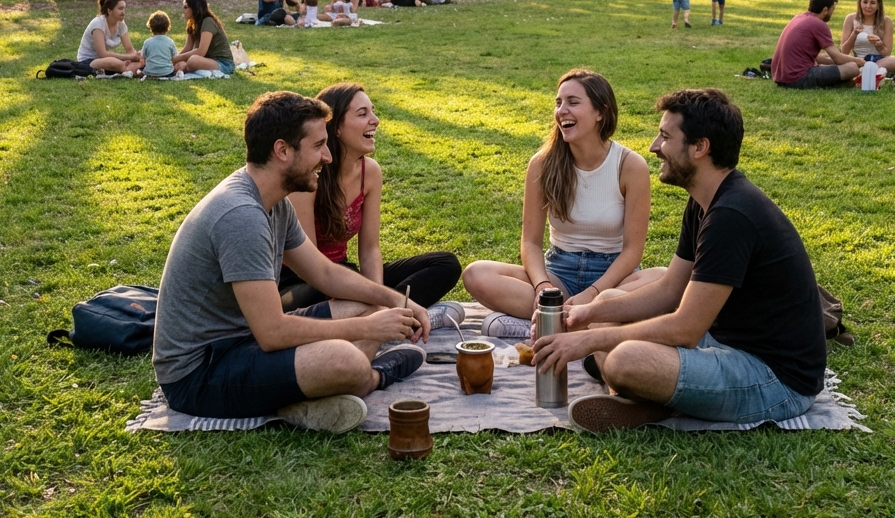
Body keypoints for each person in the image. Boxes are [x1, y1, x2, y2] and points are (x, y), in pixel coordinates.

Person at [531, 89, 826, 433]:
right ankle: (638, 399)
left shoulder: (731, 215)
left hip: (774, 379)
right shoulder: (704, 201)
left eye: (666, 137)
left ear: (700, 148)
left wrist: (587, 341)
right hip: (725, 345)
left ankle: (641, 394)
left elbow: (685, 329)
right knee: (609, 301)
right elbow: (670, 290)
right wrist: (584, 314)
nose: (654, 146)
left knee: (626, 359)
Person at [152, 91, 429, 427]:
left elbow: (324, 273)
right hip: (199, 373)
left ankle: (327, 385)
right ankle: (370, 377)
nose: (328, 156)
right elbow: (272, 332)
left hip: (243, 341)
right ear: (282, 150)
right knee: (345, 358)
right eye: (318, 146)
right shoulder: (242, 215)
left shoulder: (275, 201)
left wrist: (394, 300)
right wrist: (369, 328)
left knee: (367, 305)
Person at [462, 69, 653, 341]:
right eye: (558, 103)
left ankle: (556, 324)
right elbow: (530, 243)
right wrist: (542, 288)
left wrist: (594, 292)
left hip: (613, 278)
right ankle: (584, 322)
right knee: (476, 274)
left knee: (665, 280)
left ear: (601, 111)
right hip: (558, 275)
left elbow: (633, 251)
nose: (562, 110)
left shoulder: (630, 165)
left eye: (573, 102)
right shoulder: (542, 163)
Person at [279, 83, 463, 316]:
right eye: (363, 114)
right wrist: (367, 294)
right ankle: (395, 315)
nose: (375, 120)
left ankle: (381, 315)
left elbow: (369, 250)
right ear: (335, 127)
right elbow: (312, 265)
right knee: (322, 296)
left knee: (445, 265)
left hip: (344, 274)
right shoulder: (308, 176)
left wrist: (374, 292)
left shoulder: (370, 173)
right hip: (302, 283)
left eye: (373, 111)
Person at [771, 0, 861, 89]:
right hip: (797, 78)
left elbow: (820, 57)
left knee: (826, 61)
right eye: (832, 9)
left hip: (780, 76)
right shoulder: (819, 24)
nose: (832, 13)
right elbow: (838, 58)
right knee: (852, 68)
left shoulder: (799, 17)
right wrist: (861, 62)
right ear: (825, 10)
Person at [839, 0, 895, 76]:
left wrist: (879, 45)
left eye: (872, 3)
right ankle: (871, 73)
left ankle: (865, 72)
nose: (868, 6)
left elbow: (887, 53)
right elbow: (844, 51)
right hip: (858, 61)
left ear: (878, 5)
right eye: (865, 2)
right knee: (845, 63)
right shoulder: (851, 18)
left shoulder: (886, 21)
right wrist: (854, 34)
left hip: (879, 61)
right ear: (859, 2)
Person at [76, 0, 141, 74]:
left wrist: (137, 57)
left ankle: (128, 68)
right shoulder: (98, 24)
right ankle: (129, 68)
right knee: (115, 62)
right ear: (109, 11)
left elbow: (130, 49)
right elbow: (102, 54)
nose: (123, 12)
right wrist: (128, 57)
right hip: (89, 61)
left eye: (124, 9)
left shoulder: (121, 24)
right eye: (120, 9)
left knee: (142, 59)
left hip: (105, 59)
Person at [173, 0, 236, 75]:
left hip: (224, 64)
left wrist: (176, 59)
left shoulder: (208, 21)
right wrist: (175, 60)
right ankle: (185, 67)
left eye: (185, 7)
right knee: (187, 60)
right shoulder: (192, 24)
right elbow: (187, 48)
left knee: (193, 60)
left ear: (194, 8)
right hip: (206, 60)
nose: (183, 10)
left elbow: (201, 52)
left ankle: (185, 67)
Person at [139, 11, 178, 78]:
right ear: (167, 27)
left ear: (150, 26)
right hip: (167, 72)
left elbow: (143, 57)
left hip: (149, 72)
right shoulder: (170, 42)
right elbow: (175, 57)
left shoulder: (147, 42)